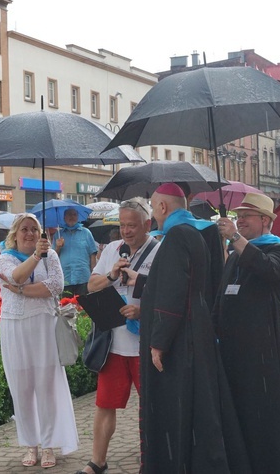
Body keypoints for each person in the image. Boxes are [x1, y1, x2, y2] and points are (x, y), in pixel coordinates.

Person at [139, 183, 250, 474]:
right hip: (199, 326)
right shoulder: (205, 232)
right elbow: (214, 282)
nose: (152, 213)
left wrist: (159, 341)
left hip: (180, 336)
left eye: (152, 206)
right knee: (202, 406)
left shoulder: (176, 235)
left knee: (181, 405)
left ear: (163, 207)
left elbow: (171, 292)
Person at [215, 194, 280, 473]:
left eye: (247, 215)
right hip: (234, 348)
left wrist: (235, 237)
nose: (241, 219)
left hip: (263, 346)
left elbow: (269, 271)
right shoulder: (235, 255)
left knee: (265, 411)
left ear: (266, 221)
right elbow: (221, 296)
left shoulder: (279, 250)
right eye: (239, 215)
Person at [78, 198, 160, 474]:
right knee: (104, 404)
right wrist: (112, 275)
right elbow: (91, 285)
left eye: (132, 226)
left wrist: (141, 311)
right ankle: (97, 462)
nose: (126, 231)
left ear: (147, 225)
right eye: (123, 225)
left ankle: (153, 462)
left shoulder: (160, 252)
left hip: (145, 345)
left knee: (151, 408)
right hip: (113, 342)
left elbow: (168, 298)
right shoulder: (113, 249)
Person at [0, 214, 78, 469]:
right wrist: (32, 263)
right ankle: (31, 443)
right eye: (24, 229)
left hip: (43, 325)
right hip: (14, 326)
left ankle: (49, 444)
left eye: (34, 229)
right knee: (22, 387)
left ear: (41, 233)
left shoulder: (50, 255)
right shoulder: (3, 258)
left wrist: (20, 291)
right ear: (15, 234)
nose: (29, 233)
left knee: (46, 385)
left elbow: (55, 286)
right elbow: (15, 276)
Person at [55, 208, 97, 296]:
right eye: (69, 214)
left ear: (78, 217)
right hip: (65, 278)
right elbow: (53, 257)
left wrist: (94, 275)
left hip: (83, 278)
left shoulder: (86, 233)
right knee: (66, 307)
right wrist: (58, 247)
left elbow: (92, 255)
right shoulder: (58, 235)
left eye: (74, 215)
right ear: (64, 217)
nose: (72, 217)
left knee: (84, 307)